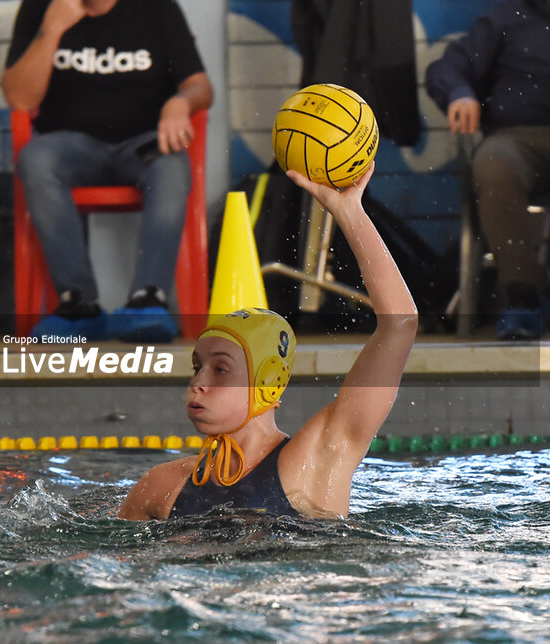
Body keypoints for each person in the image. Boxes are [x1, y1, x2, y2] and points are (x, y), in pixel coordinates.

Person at [118, 164, 419, 521]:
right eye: (198, 367)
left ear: (267, 381)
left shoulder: (317, 459)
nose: (199, 383)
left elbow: (399, 324)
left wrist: (349, 212)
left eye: (221, 369)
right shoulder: (161, 486)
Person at [1, 0, 212, 343]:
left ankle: (148, 298)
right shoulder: (41, 7)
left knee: (171, 164)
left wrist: (181, 102)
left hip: (142, 144)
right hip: (72, 147)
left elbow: (200, 85)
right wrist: (52, 29)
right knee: (36, 159)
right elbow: (18, 98)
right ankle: (78, 303)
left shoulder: (156, 8)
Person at [424, 0, 550, 340]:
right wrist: (459, 93)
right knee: (493, 164)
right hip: (516, 139)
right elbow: (445, 69)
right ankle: (523, 296)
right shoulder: (508, 16)